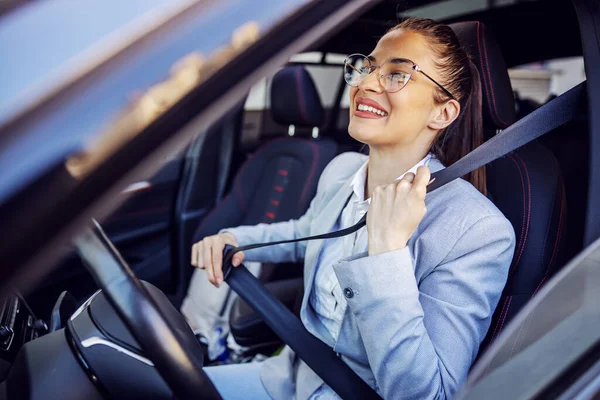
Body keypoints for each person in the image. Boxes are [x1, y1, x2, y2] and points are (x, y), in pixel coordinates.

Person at [190, 17, 516, 400]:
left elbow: (429, 394)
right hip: (287, 378)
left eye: (398, 74)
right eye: (368, 66)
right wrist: (233, 238)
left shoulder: (476, 229)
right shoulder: (341, 170)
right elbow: (305, 233)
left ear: (442, 113)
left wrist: (388, 252)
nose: (366, 82)